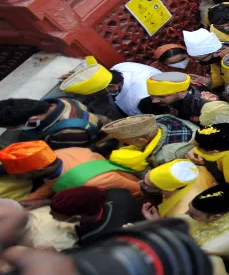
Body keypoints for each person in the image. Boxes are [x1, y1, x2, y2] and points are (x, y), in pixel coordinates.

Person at [0, 140, 140, 206]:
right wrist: (26, 202)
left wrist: (47, 203)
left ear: (38, 170)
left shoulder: (93, 182)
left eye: (19, 175)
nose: (17, 178)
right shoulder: (59, 155)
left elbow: (138, 190)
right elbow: (53, 184)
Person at [0, 97, 106, 152]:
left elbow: (60, 156)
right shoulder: (63, 101)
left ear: (33, 120)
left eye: (13, 127)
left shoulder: (66, 132)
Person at [49, 185, 143, 246]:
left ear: (77, 217)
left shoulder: (96, 238)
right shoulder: (116, 192)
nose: (50, 214)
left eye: (55, 214)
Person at [99, 113, 196, 171]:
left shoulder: (169, 156)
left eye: (125, 142)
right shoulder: (160, 118)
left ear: (140, 141)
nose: (123, 145)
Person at [139, 71, 218, 124]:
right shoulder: (179, 88)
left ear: (182, 92)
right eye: (152, 95)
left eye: (161, 97)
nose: (154, 101)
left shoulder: (208, 106)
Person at [142, 158, 212, 218]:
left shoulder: (180, 212)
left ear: (166, 191)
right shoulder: (194, 170)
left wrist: (156, 222)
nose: (140, 182)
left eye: (146, 185)